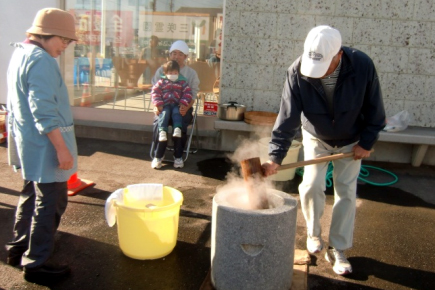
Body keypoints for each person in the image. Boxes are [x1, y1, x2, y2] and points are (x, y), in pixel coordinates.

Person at [262, 25, 386, 275]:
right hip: (316, 136)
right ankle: (313, 233)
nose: (317, 74)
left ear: (339, 55)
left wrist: (366, 142)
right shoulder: (296, 72)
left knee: (346, 193)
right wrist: (275, 156)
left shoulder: (362, 66)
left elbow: (375, 109)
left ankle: (337, 248)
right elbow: (287, 117)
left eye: (325, 66)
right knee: (311, 185)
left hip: (352, 138)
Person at [5, 8, 78, 282]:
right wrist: (62, 148)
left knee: (31, 195)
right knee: (50, 203)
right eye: (64, 40)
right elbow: (44, 111)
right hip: (47, 147)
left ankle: (19, 247)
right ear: (48, 34)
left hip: (29, 145)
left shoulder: (21, 53)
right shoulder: (42, 61)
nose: (65, 46)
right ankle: (36, 263)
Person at [150, 40, 200, 169]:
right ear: (169, 55)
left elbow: (193, 94)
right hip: (164, 106)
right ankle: (158, 155)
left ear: (186, 57)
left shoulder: (191, 73)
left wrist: (186, 107)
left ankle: (178, 156)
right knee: (159, 122)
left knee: (181, 122)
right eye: (174, 53)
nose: (176, 56)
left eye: (180, 54)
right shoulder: (162, 70)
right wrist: (156, 106)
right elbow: (155, 90)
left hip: (183, 107)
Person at [151, 60, 193, 154]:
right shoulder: (161, 82)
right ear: (165, 73)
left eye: (175, 73)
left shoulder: (183, 82)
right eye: (170, 73)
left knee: (177, 113)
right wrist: (157, 104)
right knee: (163, 115)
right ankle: (162, 134)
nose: (173, 75)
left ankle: (177, 131)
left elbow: (188, 93)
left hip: (177, 105)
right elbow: (155, 92)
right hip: (164, 105)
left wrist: (183, 103)